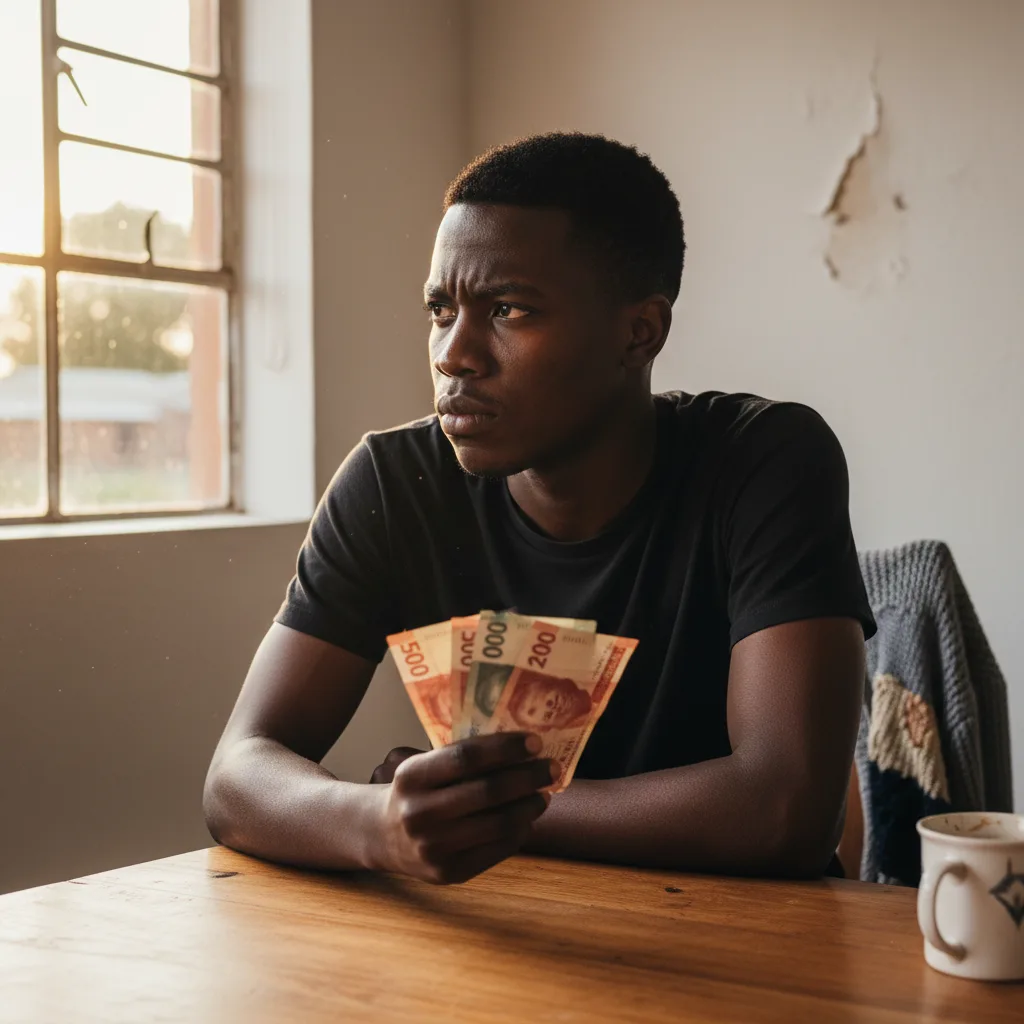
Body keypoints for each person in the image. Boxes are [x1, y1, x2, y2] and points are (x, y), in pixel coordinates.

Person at [204, 132, 875, 885]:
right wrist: (378, 823)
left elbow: (785, 810)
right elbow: (237, 774)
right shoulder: (395, 485)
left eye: (509, 310)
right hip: (508, 942)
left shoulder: (764, 461)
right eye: (440, 309)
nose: (455, 353)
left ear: (638, 333)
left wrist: (476, 812)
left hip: (752, 956)